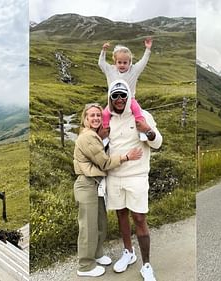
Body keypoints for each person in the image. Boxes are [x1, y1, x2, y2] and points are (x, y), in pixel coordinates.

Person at [73, 103, 143, 277]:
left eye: (98, 115)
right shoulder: (88, 137)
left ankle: (96, 254)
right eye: (92, 116)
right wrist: (127, 157)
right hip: (86, 184)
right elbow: (104, 162)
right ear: (85, 119)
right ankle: (85, 266)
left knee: (100, 223)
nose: (96, 118)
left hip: (95, 185)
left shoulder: (93, 135)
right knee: (88, 227)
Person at [103, 80, 162, 281]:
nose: (119, 100)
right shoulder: (107, 119)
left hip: (136, 176)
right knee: (121, 215)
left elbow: (157, 143)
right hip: (114, 176)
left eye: (122, 95)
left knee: (139, 218)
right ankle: (128, 252)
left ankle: (146, 265)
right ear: (110, 98)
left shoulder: (143, 116)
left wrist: (148, 130)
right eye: (115, 96)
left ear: (128, 96)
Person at [98, 37, 152, 141]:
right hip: (113, 100)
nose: (122, 65)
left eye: (125, 62)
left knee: (137, 111)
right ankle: (105, 133)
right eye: (119, 62)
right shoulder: (110, 70)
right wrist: (103, 51)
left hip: (130, 99)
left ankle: (142, 131)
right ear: (115, 62)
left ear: (129, 62)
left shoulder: (134, 70)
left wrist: (148, 49)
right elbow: (101, 63)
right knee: (105, 114)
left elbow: (143, 62)